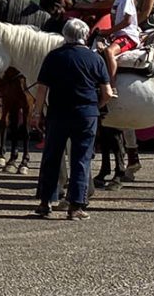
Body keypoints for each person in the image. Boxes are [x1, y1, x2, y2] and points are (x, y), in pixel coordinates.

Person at [31, 18, 110, 220]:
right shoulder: (96, 59)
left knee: (52, 157)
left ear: (65, 35)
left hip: (58, 114)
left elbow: (41, 89)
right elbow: (107, 93)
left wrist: (37, 113)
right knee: (81, 159)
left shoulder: (53, 56)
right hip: (86, 114)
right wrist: (96, 106)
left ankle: (45, 202)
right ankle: (76, 207)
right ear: (84, 35)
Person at [100, 0, 138, 98]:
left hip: (128, 36)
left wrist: (108, 31)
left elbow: (127, 21)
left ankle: (112, 85)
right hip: (118, 35)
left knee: (109, 52)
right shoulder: (117, 0)